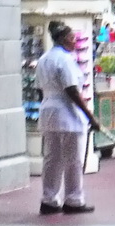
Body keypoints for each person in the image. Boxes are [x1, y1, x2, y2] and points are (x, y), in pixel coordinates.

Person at [36, 21, 101, 215]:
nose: (75, 42)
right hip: (67, 114)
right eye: (73, 38)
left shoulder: (44, 59)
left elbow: (40, 88)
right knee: (73, 159)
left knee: (52, 159)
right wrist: (90, 116)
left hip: (48, 111)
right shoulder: (65, 60)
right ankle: (73, 199)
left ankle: (49, 199)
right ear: (64, 39)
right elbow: (72, 89)